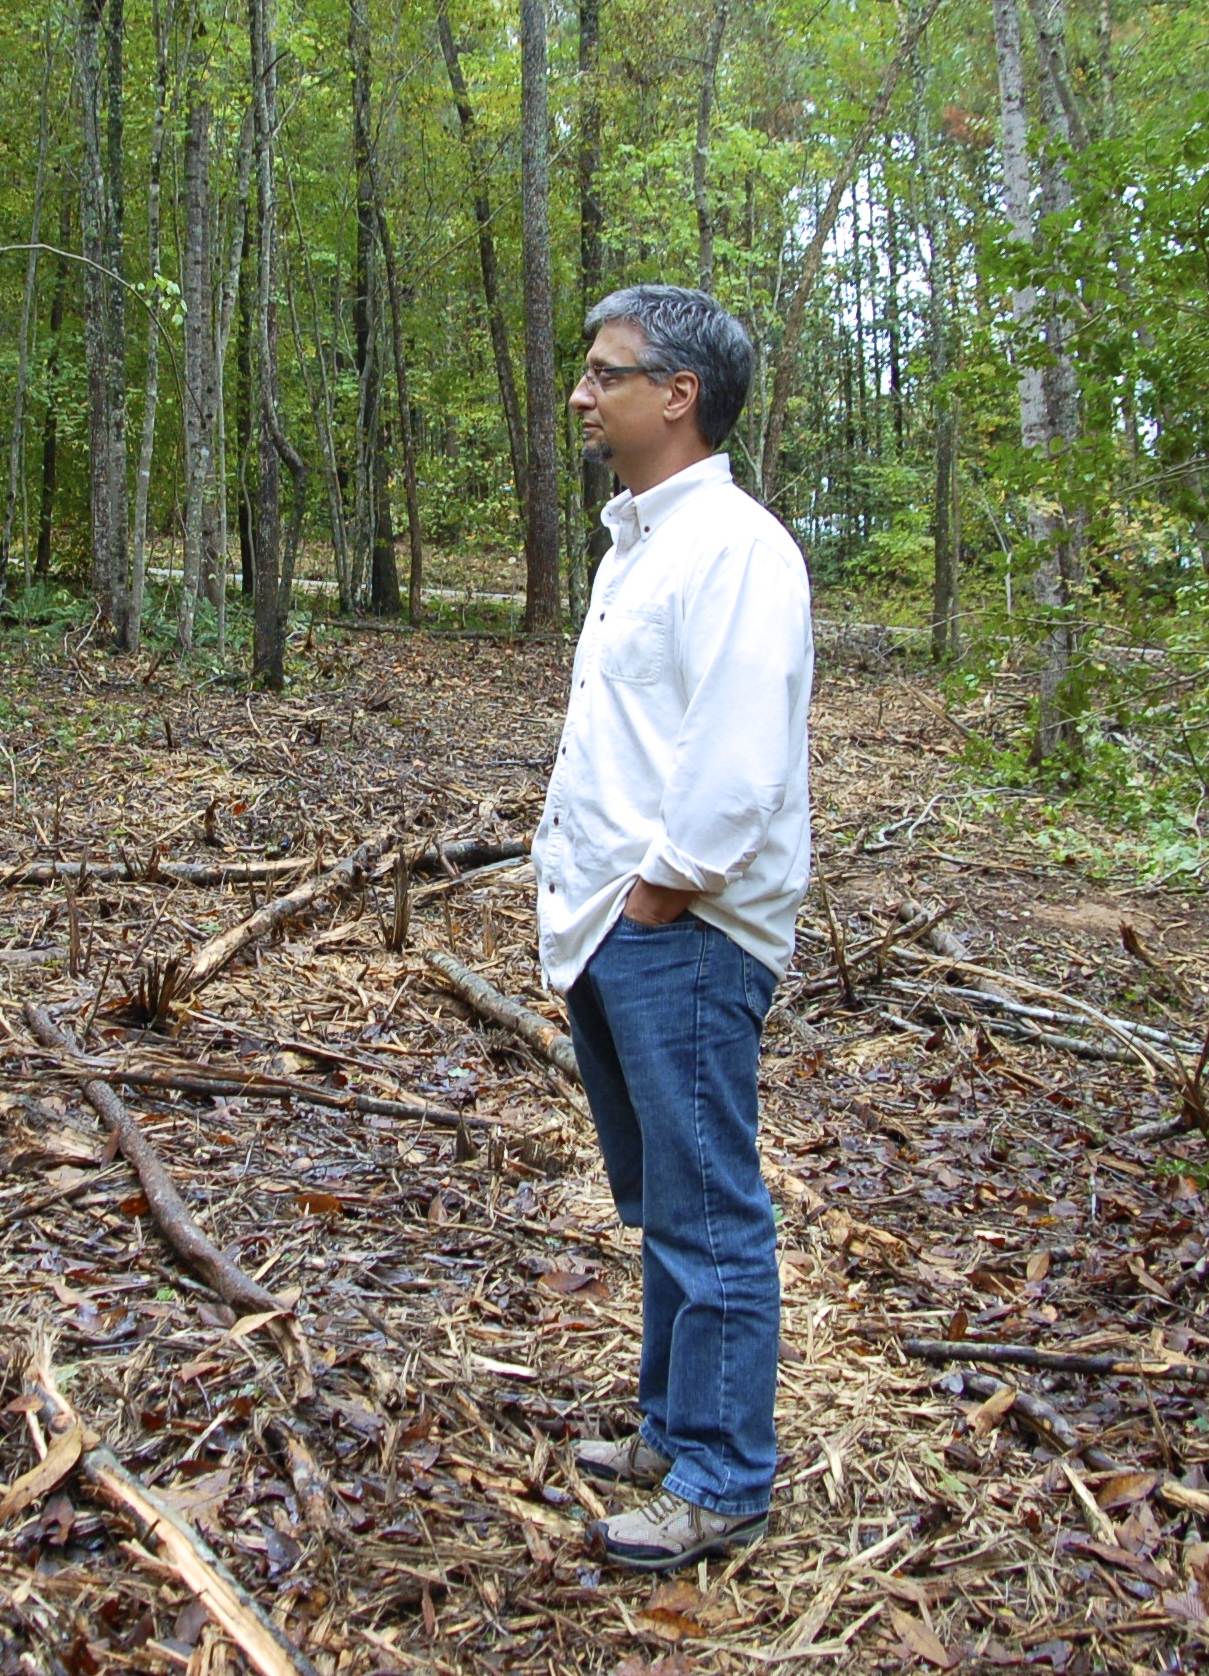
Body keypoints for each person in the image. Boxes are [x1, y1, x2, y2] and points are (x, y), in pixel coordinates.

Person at [535, 284, 813, 1572]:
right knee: (664, 1201)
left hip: (682, 930)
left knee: (707, 1209)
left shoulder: (736, 547)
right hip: (615, 922)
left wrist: (663, 888)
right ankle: (668, 1427)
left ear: (678, 394)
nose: (583, 393)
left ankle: (720, 1478)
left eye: (607, 373)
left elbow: (737, 750)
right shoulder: (636, 544)